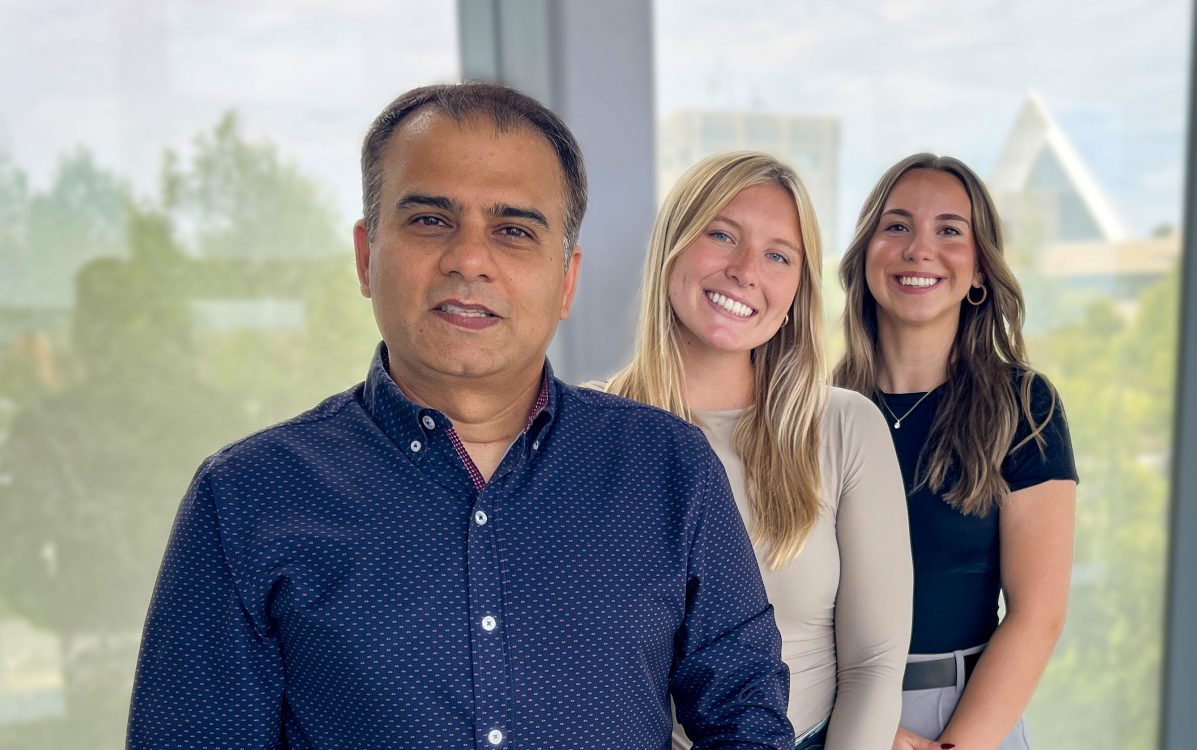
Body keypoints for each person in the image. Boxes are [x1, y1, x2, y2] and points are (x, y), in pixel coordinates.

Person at [126, 83, 793, 749]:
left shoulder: (670, 469)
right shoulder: (248, 499)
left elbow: (746, 721)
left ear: (566, 280)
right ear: (366, 256)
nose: (470, 259)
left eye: (513, 230)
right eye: (429, 221)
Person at [601, 151, 913, 749]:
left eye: (778, 256)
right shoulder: (586, 431)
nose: (747, 270)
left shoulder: (846, 427)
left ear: (797, 289)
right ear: (672, 246)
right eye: (722, 235)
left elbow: (874, 662)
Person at [833, 154, 1078, 750]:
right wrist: (865, 729)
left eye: (949, 230)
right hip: (834, 711)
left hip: (966, 716)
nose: (920, 249)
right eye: (896, 226)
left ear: (979, 272)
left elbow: (1037, 615)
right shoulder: (820, 409)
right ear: (866, 254)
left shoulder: (1023, 405)